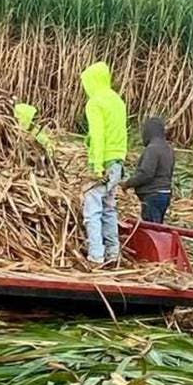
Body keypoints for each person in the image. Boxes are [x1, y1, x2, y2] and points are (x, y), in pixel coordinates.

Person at [80, 61, 128, 264]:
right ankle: (113, 253)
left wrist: (97, 167)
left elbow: (99, 136)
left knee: (92, 210)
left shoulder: (95, 102)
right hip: (118, 162)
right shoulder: (117, 100)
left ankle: (96, 256)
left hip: (104, 163)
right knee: (109, 208)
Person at [121, 117, 174, 224]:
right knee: (158, 225)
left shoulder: (152, 149)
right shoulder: (168, 149)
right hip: (165, 194)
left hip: (152, 194)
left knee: (152, 229)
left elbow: (146, 173)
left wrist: (128, 184)